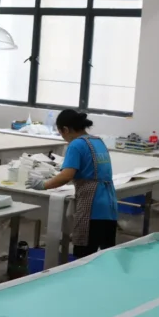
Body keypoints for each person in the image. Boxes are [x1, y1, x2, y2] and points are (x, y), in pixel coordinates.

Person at [29, 109, 117, 257]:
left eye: (61, 133)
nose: (63, 137)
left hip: (92, 207)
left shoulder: (76, 145)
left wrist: (43, 184)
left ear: (65, 129)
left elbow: (66, 176)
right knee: (106, 256)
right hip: (109, 205)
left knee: (84, 257)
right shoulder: (98, 141)